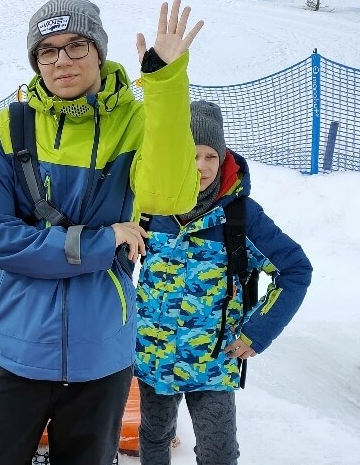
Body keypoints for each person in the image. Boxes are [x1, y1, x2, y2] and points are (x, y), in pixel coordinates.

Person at [0, 0, 204, 465]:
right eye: (47, 50)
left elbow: (170, 198)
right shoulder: (9, 127)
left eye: (75, 45)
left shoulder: (135, 122)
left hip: (101, 357)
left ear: (99, 50)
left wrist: (165, 84)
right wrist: (100, 240)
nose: (61, 60)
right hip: (16, 351)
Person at [134, 100, 313, 464]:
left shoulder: (241, 215)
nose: (200, 166)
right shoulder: (149, 207)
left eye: (210, 157)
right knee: (154, 436)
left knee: (218, 453)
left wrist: (257, 332)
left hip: (213, 362)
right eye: (191, 154)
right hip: (152, 356)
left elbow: (295, 270)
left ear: (222, 158)